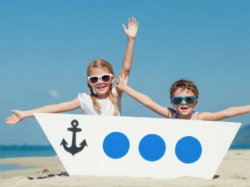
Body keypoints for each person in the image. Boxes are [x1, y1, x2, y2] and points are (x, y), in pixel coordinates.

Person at [6, 17, 139, 125]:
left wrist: (131, 40)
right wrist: (24, 114)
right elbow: (54, 108)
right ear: (89, 83)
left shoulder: (116, 93)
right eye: (94, 79)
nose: (100, 82)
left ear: (112, 79)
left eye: (104, 78)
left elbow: (126, 67)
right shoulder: (85, 100)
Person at [115, 76, 250, 121]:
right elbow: (148, 102)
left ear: (195, 103)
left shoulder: (199, 118)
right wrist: (126, 88)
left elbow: (227, 112)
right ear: (172, 103)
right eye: (178, 100)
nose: (184, 103)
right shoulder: (171, 114)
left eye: (189, 100)